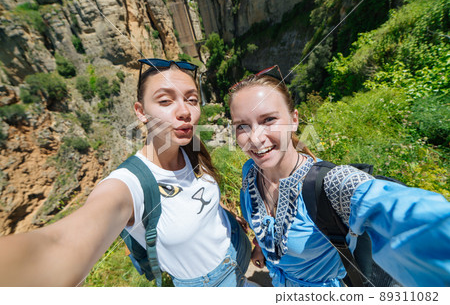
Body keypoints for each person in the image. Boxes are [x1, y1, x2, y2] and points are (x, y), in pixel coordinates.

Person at [0, 58, 251, 287]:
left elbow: (197, 198)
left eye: (192, 99)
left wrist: (225, 218)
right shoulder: (129, 185)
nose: (185, 111)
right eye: (165, 101)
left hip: (240, 249)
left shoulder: (193, 149)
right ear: (141, 112)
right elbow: (60, 244)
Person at [228, 66, 450, 287]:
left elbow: (402, 212)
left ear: (294, 119)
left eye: (268, 120)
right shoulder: (250, 171)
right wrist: (260, 246)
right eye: (242, 126)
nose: (254, 139)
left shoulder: (328, 184)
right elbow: (267, 227)